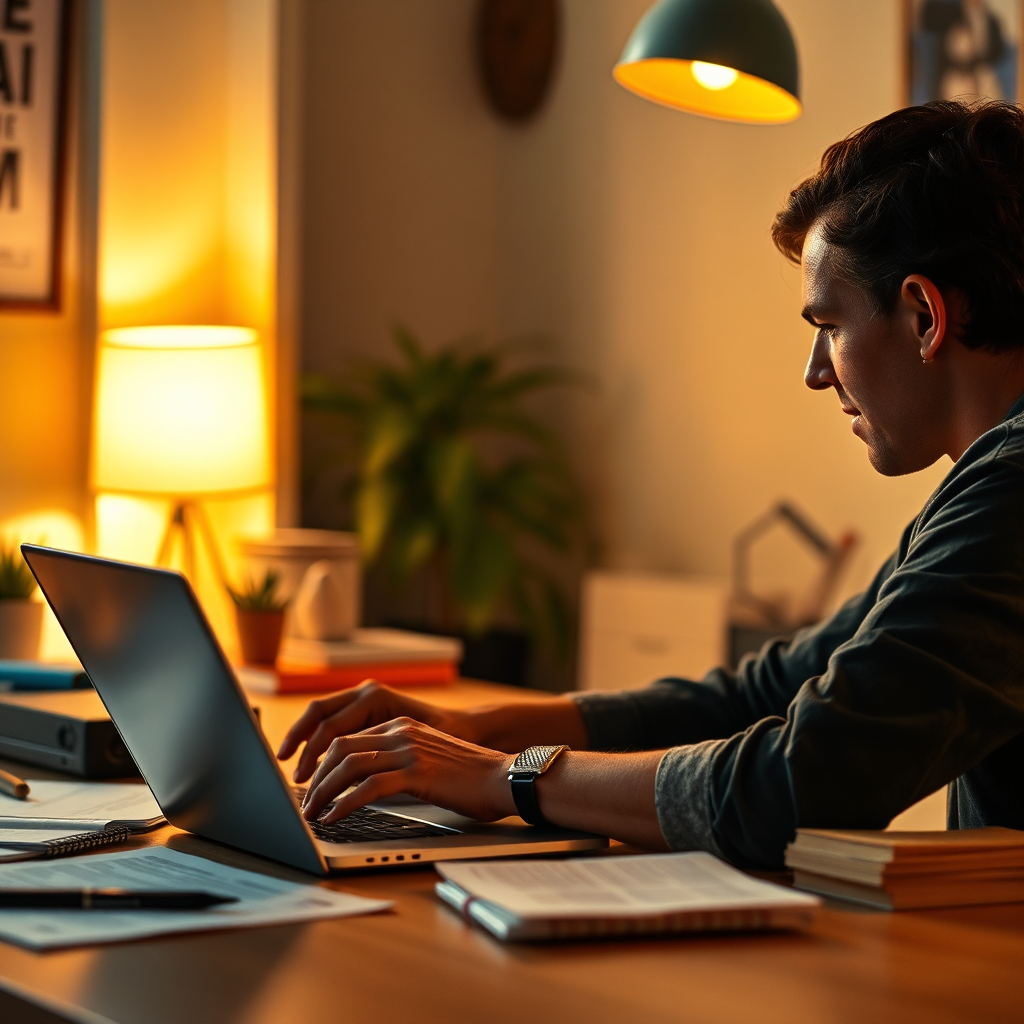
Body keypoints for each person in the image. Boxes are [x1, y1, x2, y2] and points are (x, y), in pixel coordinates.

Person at [278, 100, 1024, 869]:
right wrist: (480, 730)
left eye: (829, 325)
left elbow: (803, 781)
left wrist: (508, 778)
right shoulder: (990, 485)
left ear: (925, 316)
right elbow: (774, 691)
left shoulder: (1012, 494)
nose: (814, 371)